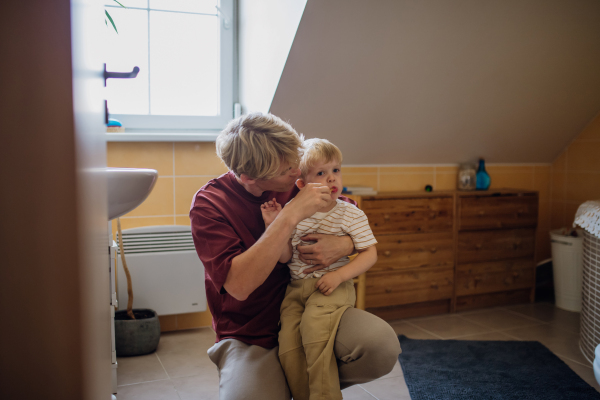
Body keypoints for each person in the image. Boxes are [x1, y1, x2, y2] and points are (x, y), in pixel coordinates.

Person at [189, 112, 401, 400]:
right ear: (249, 177)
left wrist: (345, 245)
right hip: (251, 333)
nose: (296, 173)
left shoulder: (299, 174)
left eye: (296, 159)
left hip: (317, 305)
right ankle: (293, 382)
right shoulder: (210, 205)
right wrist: (288, 216)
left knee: (380, 347)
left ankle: (309, 383)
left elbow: (348, 215)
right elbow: (239, 286)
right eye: (287, 169)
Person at [260, 138, 378, 400]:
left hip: (332, 287)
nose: (332, 179)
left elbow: (370, 254)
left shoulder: (350, 214)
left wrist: (338, 276)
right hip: (295, 290)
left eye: (336, 170)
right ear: (302, 185)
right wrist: (273, 226)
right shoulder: (293, 211)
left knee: (314, 331)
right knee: (289, 348)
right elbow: (285, 257)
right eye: (321, 173)